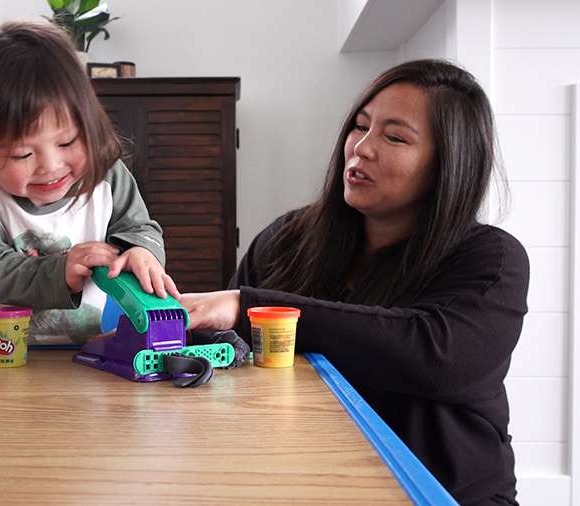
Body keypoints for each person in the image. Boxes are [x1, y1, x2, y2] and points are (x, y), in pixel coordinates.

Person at [181, 59, 528, 505]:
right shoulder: (288, 238)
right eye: (360, 127)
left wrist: (255, 310)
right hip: (303, 484)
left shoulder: (491, 258)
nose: (361, 148)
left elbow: (435, 358)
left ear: (448, 164)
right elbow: (228, 353)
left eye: (395, 137)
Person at [0, 21, 178, 345]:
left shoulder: (108, 175)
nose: (50, 166)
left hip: (86, 355)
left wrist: (141, 252)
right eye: (22, 154)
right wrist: (59, 271)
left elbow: (140, 228)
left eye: (67, 142)